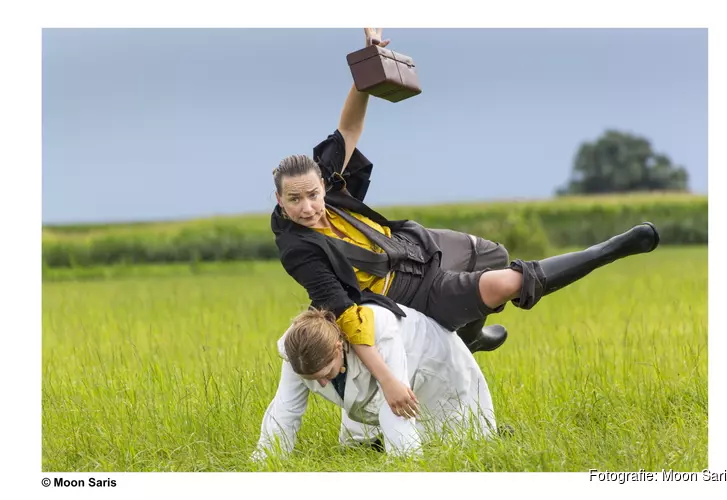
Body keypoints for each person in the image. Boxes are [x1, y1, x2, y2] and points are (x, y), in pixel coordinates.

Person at [270, 28, 660, 419]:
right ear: (279, 199)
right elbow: (345, 313)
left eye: (313, 195)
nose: (307, 207)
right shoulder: (298, 251)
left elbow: (349, 129)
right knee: (507, 282)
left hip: (410, 244)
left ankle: (469, 335)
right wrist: (388, 379)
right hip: (405, 290)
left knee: (493, 254)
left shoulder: (321, 173)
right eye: (294, 200)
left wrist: (365, 70)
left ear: (323, 184)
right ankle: (610, 250)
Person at [253, 304, 498, 460]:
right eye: (314, 380)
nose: (323, 384)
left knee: (460, 443)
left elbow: (397, 402)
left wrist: (404, 465)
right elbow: (286, 409)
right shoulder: (297, 351)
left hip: (436, 365)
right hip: (380, 379)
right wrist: (266, 460)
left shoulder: (377, 327)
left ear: (339, 347)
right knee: (358, 449)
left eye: (326, 373)